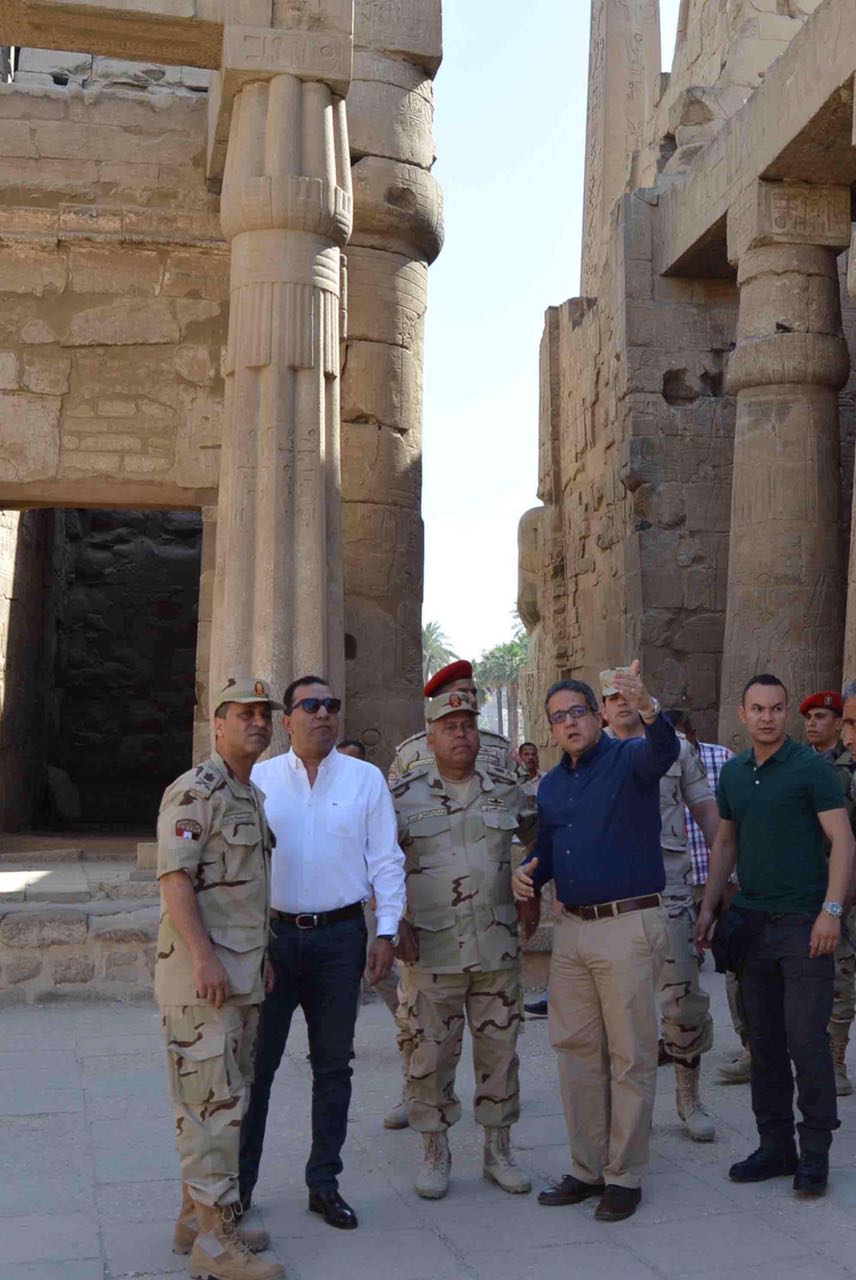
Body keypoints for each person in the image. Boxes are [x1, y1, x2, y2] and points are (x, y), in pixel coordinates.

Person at [513, 662, 678, 1222]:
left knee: (630, 1054)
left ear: (598, 715)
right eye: (558, 717)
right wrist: (527, 874)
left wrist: (647, 705)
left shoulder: (630, 759)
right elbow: (549, 848)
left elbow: (664, 751)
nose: (569, 723)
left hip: (627, 924)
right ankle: (587, 1168)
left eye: (578, 712)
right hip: (574, 931)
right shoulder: (554, 785)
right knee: (577, 1052)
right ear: (551, 728)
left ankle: (624, 1176)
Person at [239, 676, 405, 1230]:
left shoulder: (364, 780)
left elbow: (386, 860)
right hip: (273, 941)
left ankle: (324, 1184)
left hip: (339, 940)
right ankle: (239, 1188)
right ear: (287, 720)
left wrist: (385, 932)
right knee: (257, 1068)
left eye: (332, 704)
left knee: (334, 1067)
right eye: (310, 705)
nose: (323, 713)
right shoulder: (259, 779)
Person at [696, 674, 855, 1197]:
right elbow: (726, 843)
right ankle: (775, 1146)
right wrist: (708, 908)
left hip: (804, 925)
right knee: (763, 1044)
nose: (767, 717)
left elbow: (843, 840)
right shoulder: (735, 773)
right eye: (758, 709)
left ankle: (815, 1153)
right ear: (743, 714)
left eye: (776, 708)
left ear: (786, 713)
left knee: (806, 1042)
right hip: (752, 925)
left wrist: (831, 911)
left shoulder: (812, 769)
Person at [155, 677, 284, 1280]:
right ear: (219, 723)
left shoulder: (248, 793)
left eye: (265, 714)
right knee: (211, 1105)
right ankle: (214, 1246)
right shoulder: (196, 790)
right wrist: (205, 958)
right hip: (202, 980)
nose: (258, 723)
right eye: (245, 714)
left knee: (226, 1097)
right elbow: (175, 879)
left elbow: (247, 893)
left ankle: (194, 1219)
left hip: (241, 975)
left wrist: (263, 957)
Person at [391, 688, 538, 1200]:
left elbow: (541, 837)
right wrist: (391, 921)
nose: (461, 735)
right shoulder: (403, 796)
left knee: (501, 1053)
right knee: (430, 1057)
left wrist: (533, 886)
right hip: (433, 951)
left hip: (496, 947)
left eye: (468, 725)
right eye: (450, 727)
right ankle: (435, 1152)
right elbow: (379, 862)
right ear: (430, 738)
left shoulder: (506, 789)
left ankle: (499, 1151)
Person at [602, 684, 719, 1142]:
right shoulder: (591, 752)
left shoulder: (678, 748)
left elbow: (707, 814)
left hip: (669, 892)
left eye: (628, 693)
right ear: (601, 708)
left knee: (684, 1002)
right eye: (612, 696)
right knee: (622, 1011)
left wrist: (725, 878)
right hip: (613, 898)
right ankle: (633, 1107)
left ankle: (689, 1098)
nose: (622, 702)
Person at [800, 690, 856, 1095]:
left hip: (845, 886)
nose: (813, 724)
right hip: (816, 884)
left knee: (840, 972)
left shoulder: (844, 768)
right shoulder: (804, 765)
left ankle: (835, 1058)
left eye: (824, 717)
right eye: (809, 717)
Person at [389, 660, 522, 781]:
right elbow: (395, 796)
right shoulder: (409, 752)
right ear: (441, 699)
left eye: (473, 693)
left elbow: (522, 792)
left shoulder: (500, 747)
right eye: (463, 692)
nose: (472, 699)